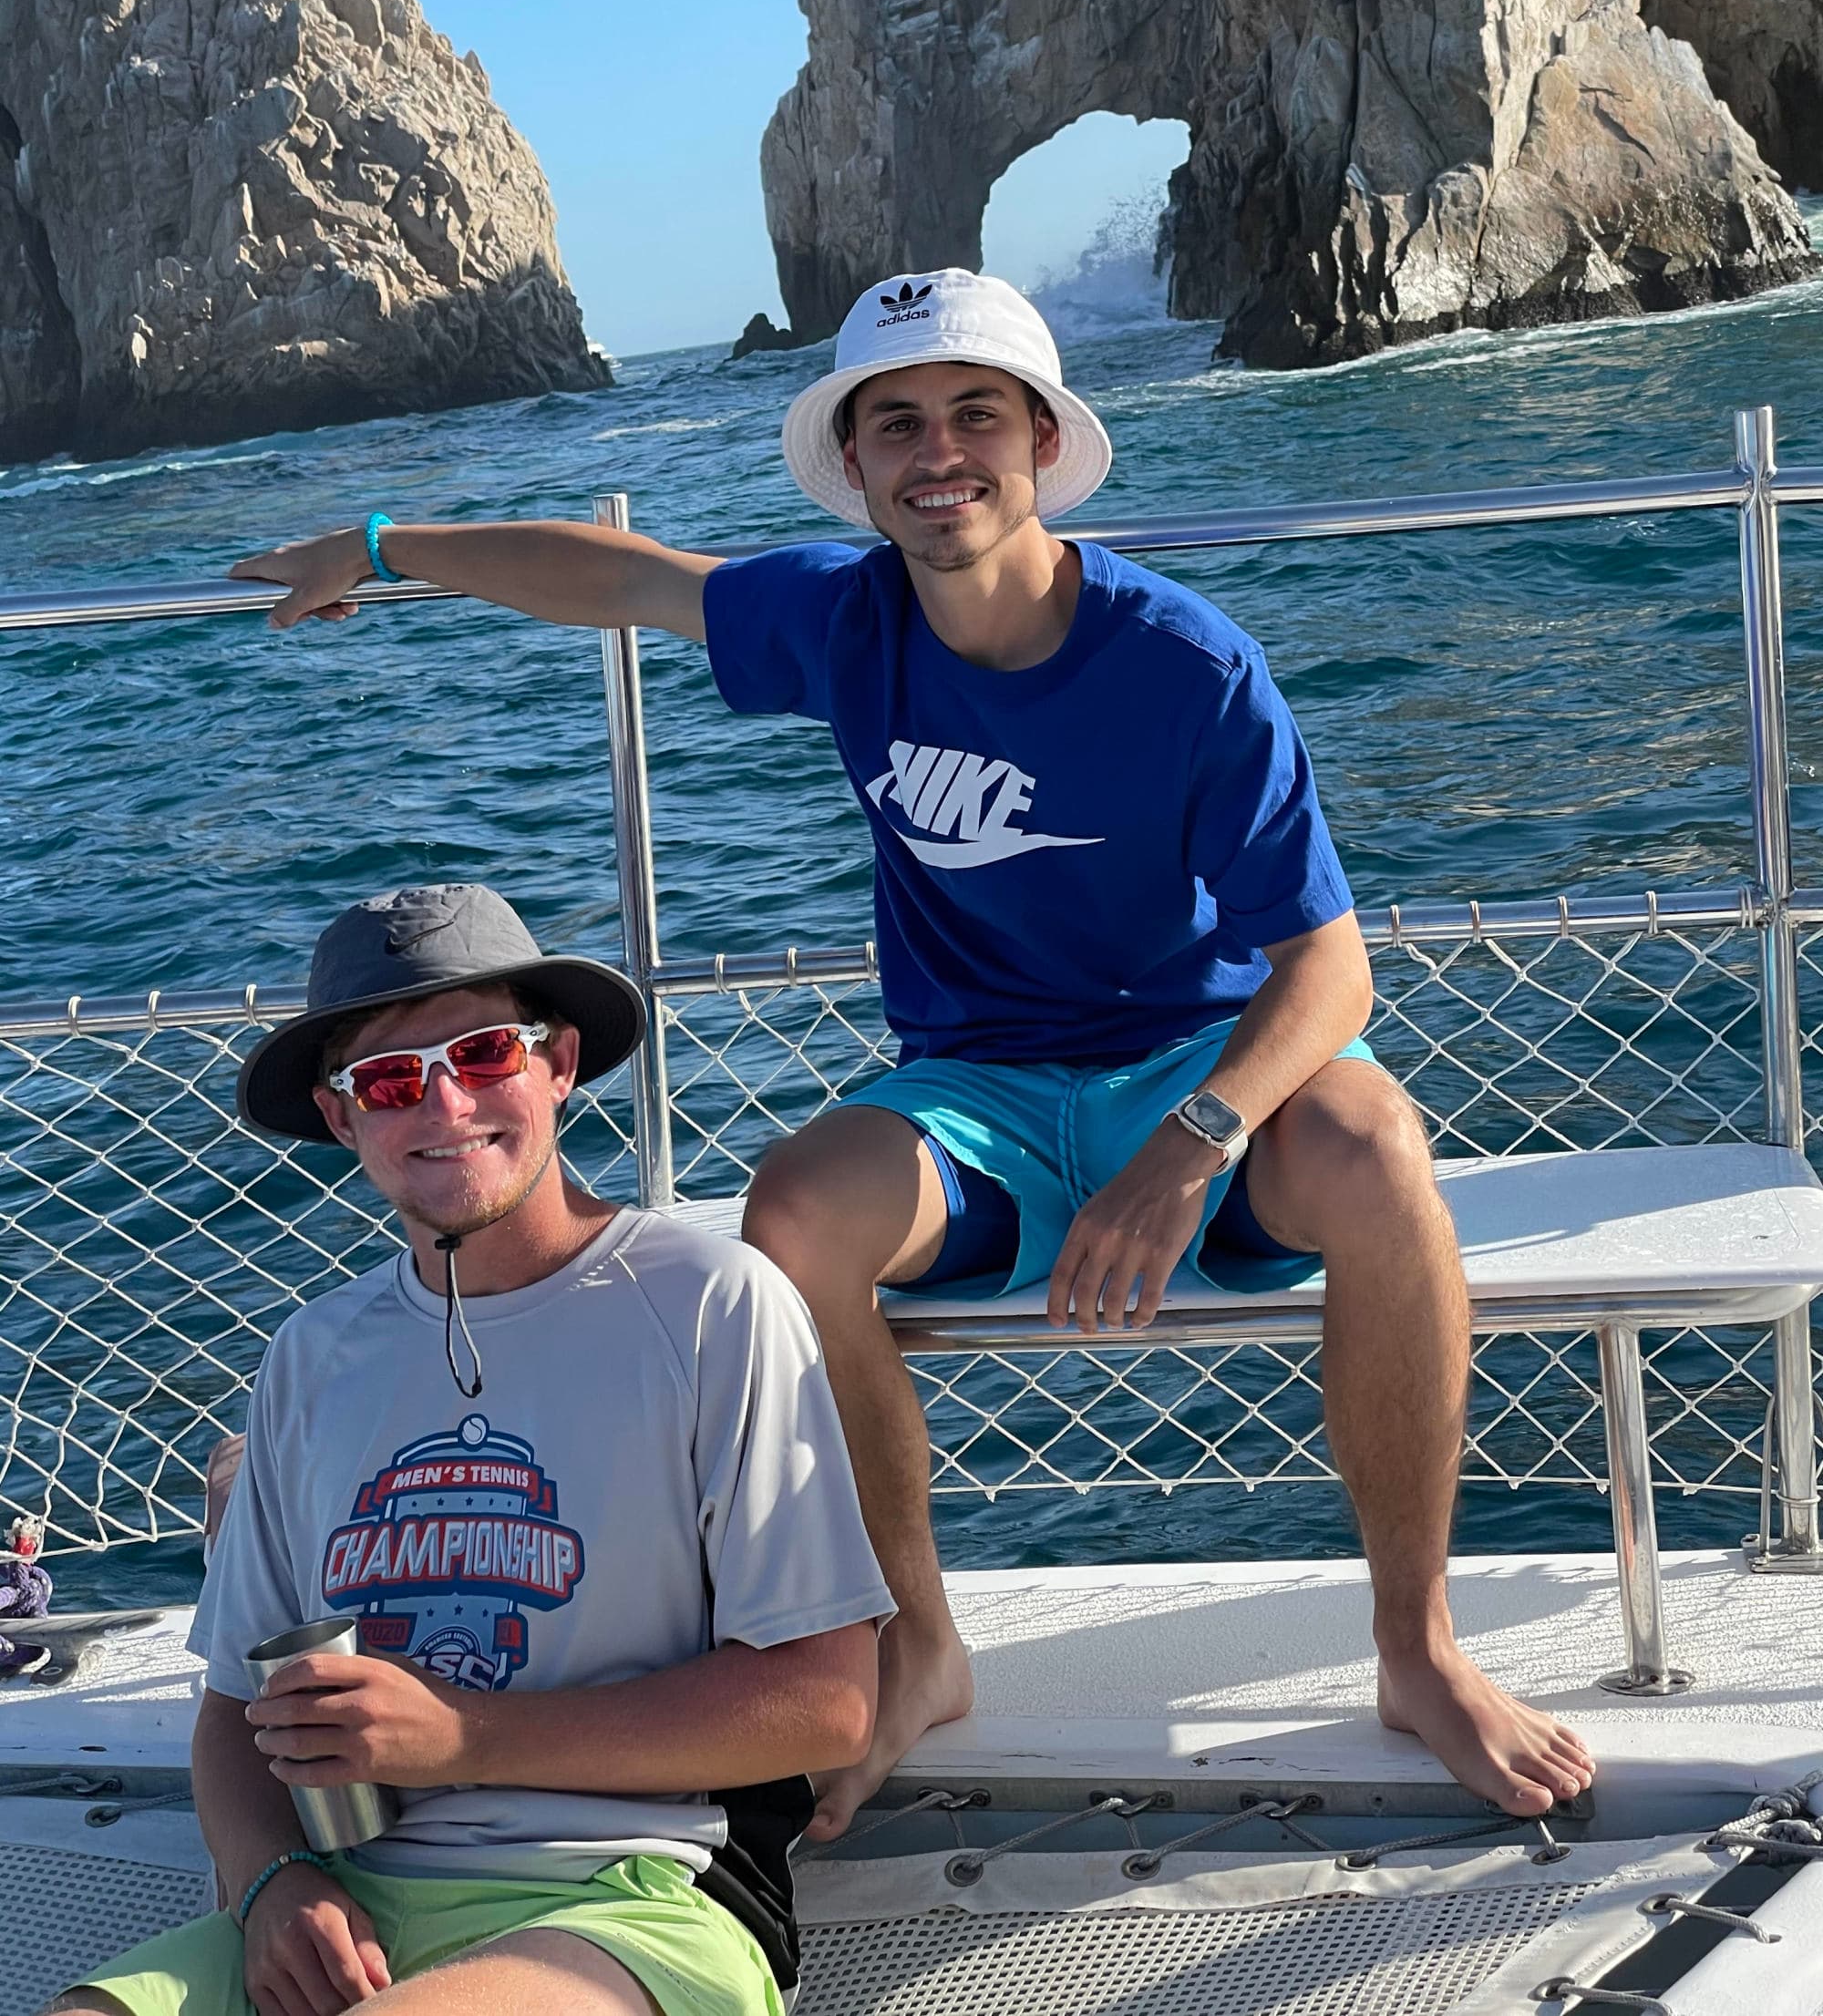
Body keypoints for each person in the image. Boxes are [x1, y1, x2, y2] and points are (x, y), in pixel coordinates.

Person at [230, 269, 1596, 1843]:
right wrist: (386, 550)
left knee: (1377, 1155)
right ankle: (917, 1639)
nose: (937, 452)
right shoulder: (844, 615)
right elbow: (620, 576)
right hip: (976, 1089)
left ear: (1039, 443)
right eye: (898, 425)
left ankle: (1416, 1646)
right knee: (798, 1210)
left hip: (1195, 1061)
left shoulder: (1187, 661)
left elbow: (1331, 966)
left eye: (972, 417)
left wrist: (1191, 1142)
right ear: (861, 468)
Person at [47, 883, 891, 2016]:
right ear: (344, 1120)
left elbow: (822, 1704)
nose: (444, 1102)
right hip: (338, 1894)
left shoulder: (711, 1303)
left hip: (635, 1897)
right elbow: (233, 1710)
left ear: (558, 1065)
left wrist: (459, 1736)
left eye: (485, 1052)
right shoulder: (312, 1354)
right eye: (391, 1079)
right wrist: (268, 1881)